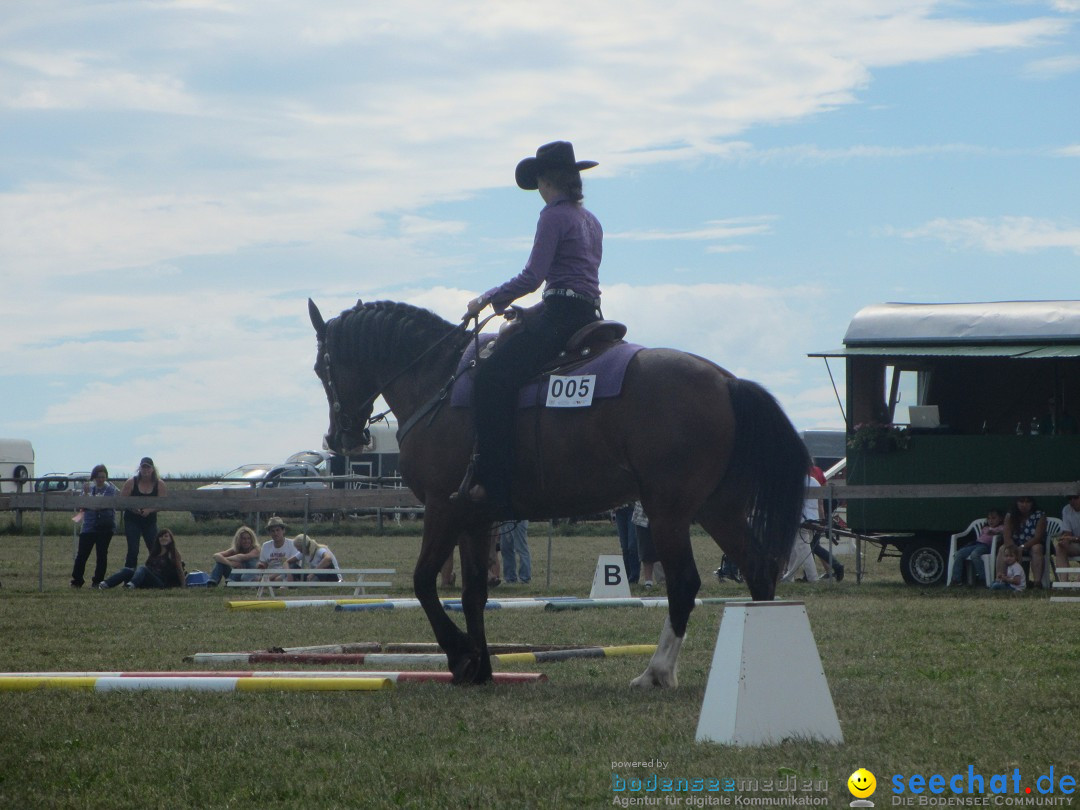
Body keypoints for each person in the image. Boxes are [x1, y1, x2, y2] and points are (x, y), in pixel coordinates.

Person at [460, 141, 602, 513]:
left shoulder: (552, 216)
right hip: (588, 313)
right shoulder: (591, 221)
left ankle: (495, 481)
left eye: (538, 181)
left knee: (491, 378)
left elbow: (534, 276)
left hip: (560, 315)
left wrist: (489, 299)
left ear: (544, 181)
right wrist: (534, 311)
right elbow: (574, 283)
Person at [70, 464, 118, 588]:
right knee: (82, 555)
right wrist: (87, 497)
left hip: (105, 527)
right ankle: (77, 581)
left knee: (101, 555)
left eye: (103, 477)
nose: (100, 479)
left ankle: (98, 581)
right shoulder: (88, 488)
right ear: (94, 477)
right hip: (88, 526)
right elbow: (82, 504)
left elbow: (102, 505)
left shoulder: (111, 489)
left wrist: (90, 502)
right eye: (98, 477)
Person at [119, 457, 169, 569]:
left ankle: (156, 572)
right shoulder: (131, 482)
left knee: (154, 547)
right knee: (133, 549)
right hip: (132, 519)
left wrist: (149, 510)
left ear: (152, 469)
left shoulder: (159, 484)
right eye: (143, 467)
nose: (145, 470)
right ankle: (129, 576)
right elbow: (122, 501)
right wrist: (133, 508)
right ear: (139, 468)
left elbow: (163, 504)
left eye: (148, 467)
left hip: (149, 520)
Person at [99, 528, 185, 589]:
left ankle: (131, 585)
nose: (163, 538)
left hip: (160, 582)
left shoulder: (173, 553)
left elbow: (179, 570)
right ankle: (105, 584)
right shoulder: (155, 552)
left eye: (166, 536)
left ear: (171, 539)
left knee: (142, 568)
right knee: (127, 570)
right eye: (161, 536)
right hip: (148, 579)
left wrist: (183, 586)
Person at [995, 496, 1047, 588]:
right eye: (1021, 501)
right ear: (1016, 502)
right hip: (1014, 545)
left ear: (1032, 503)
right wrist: (1014, 549)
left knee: (1037, 548)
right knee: (1002, 548)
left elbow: (1038, 537)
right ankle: (1000, 580)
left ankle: (1037, 583)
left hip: (1032, 544)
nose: (1024, 504)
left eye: (1028, 502)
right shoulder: (1010, 515)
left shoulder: (1040, 515)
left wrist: (1022, 547)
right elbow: (1007, 537)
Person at [782, 473, 824, 583]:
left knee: (803, 550)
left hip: (802, 519)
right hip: (813, 518)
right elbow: (820, 502)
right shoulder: (814, 481)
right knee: (794, 550)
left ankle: (812, 578)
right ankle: (789, 577)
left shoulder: (796, 481)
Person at [950, 507, 1005, 586]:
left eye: (993, 518)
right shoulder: (985, 528)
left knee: (974, 555)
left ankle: (982, 578)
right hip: (976, 544)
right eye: (989, 518)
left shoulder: (1001, 527)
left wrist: (994, 531)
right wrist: (990, 531)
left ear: (1000, 519)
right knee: (959, 554)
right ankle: (956, 579)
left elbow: (1002, 531)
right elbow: (986, 531)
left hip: (986, 546)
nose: (991, 520)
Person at [1052, 492, 1080, 582]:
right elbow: (1068, 532)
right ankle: (1064, 583)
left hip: (1076, 541)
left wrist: (1073, 538)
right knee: (1060, 546)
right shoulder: (1066, 509)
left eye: (1075, 497)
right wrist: (1064, 538)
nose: (1072, 501)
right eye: (1070, 498)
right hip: (1076, 544)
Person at [631, 501, 659, 589]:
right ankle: (648, 582)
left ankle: (667, 579)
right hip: (641, 516)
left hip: (661, 513)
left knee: (665, 548)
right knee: (645, 549)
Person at [613, 504, 640, 584]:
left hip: (633, 508)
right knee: (624, 547)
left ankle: (634, 577)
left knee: (632, 545)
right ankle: (626, 577)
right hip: (619, 510)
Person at [499, 520, 531, 584]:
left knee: (521, 549)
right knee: (506, 549)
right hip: (504, 519)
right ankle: (510, 578)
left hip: (518, 519)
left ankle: (524, 578)